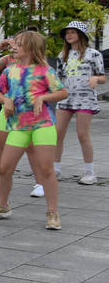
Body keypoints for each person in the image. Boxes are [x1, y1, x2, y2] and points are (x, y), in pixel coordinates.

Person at [0, 31, 67, 230]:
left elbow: (63, 92)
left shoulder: (45, 70)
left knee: (46, 169)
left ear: (30, 48)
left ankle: (53, 212)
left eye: (19, 44)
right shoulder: (9, 70)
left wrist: (43, 98)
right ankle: (2, 205)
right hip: (18, 126)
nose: (14, 47)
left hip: (42, 125)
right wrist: (5, 100)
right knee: (5, 168)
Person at [0, 34, 42, 197]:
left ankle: (40, 182)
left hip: (27, 112)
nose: (15, 46)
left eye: (19, 44)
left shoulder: (37, 64)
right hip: (8, 109)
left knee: (30, 147)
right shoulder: (9, 60)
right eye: (15, 43)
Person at [54, 21, 106, 185]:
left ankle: (90, 173)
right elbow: (58, 78)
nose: (69, 35)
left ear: (81, 35)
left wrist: (95, 78)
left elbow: (103, 77)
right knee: (57, 134)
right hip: (65, 98)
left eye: (72, 32)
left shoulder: (94, 54)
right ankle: (54, 170)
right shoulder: (62, 55)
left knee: (82, 134)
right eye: (67, 33)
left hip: (85, 99)